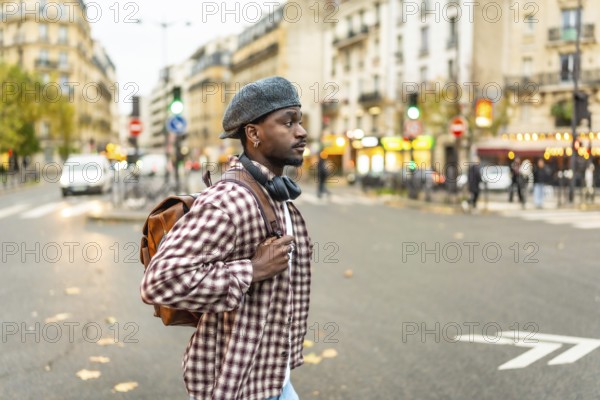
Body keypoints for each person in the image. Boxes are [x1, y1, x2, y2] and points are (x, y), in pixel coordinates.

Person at [141, 77, 312, 400]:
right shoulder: (230, 201)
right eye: (287, 122)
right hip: (237, 387)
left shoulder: (274, 193)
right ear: (253, 133)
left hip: (272, 376)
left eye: (299, 121)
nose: (301, 131)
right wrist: (253, 270)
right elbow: (159, 282)